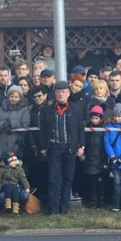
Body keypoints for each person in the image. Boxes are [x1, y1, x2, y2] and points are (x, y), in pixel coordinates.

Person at [39, 80, 86, 214]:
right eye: (58, 91)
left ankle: (64, 207)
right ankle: (53, 207)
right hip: (54, 147)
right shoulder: (47, 110)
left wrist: (81, 146)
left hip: (70, 148)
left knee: (67, 178)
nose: (61, 94)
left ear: (68, 93)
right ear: (55, 93)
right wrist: (43, 146)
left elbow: (80, 129)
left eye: (64, 92)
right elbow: (43, 130)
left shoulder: (75, 109)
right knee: (54, 179)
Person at [0, 86, 30, 157]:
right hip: (2, 142)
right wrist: (3, 124)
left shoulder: (24, 110)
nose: (13, 99)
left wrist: (12, 124)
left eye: (16, 97)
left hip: (16, 141)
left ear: (20, 98)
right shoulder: (1, 109)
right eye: (12, 96)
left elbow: (25, 124)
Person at [83, 105, 108, 208]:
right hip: (89, 159)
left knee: (101, 182)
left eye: (96, 118)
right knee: (92, 182)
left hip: (100, 159)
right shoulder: (87, 129)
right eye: (92, 118)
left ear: (101, 119)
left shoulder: (104, 130)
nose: (94, 120)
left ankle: (102, 201)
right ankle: (94, 200)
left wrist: (105, 161)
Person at [0, 152, 30, 216]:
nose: (15, 162)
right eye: (12, 161)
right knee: (8, 187)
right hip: (5, 186)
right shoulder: (2, 169)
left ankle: (16, 207)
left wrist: (27, 187)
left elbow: (24, 179)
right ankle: (6, 205)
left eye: (16, 160)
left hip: (15, 186)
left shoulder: (19, 169)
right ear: (7, 163)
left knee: (16, 189)